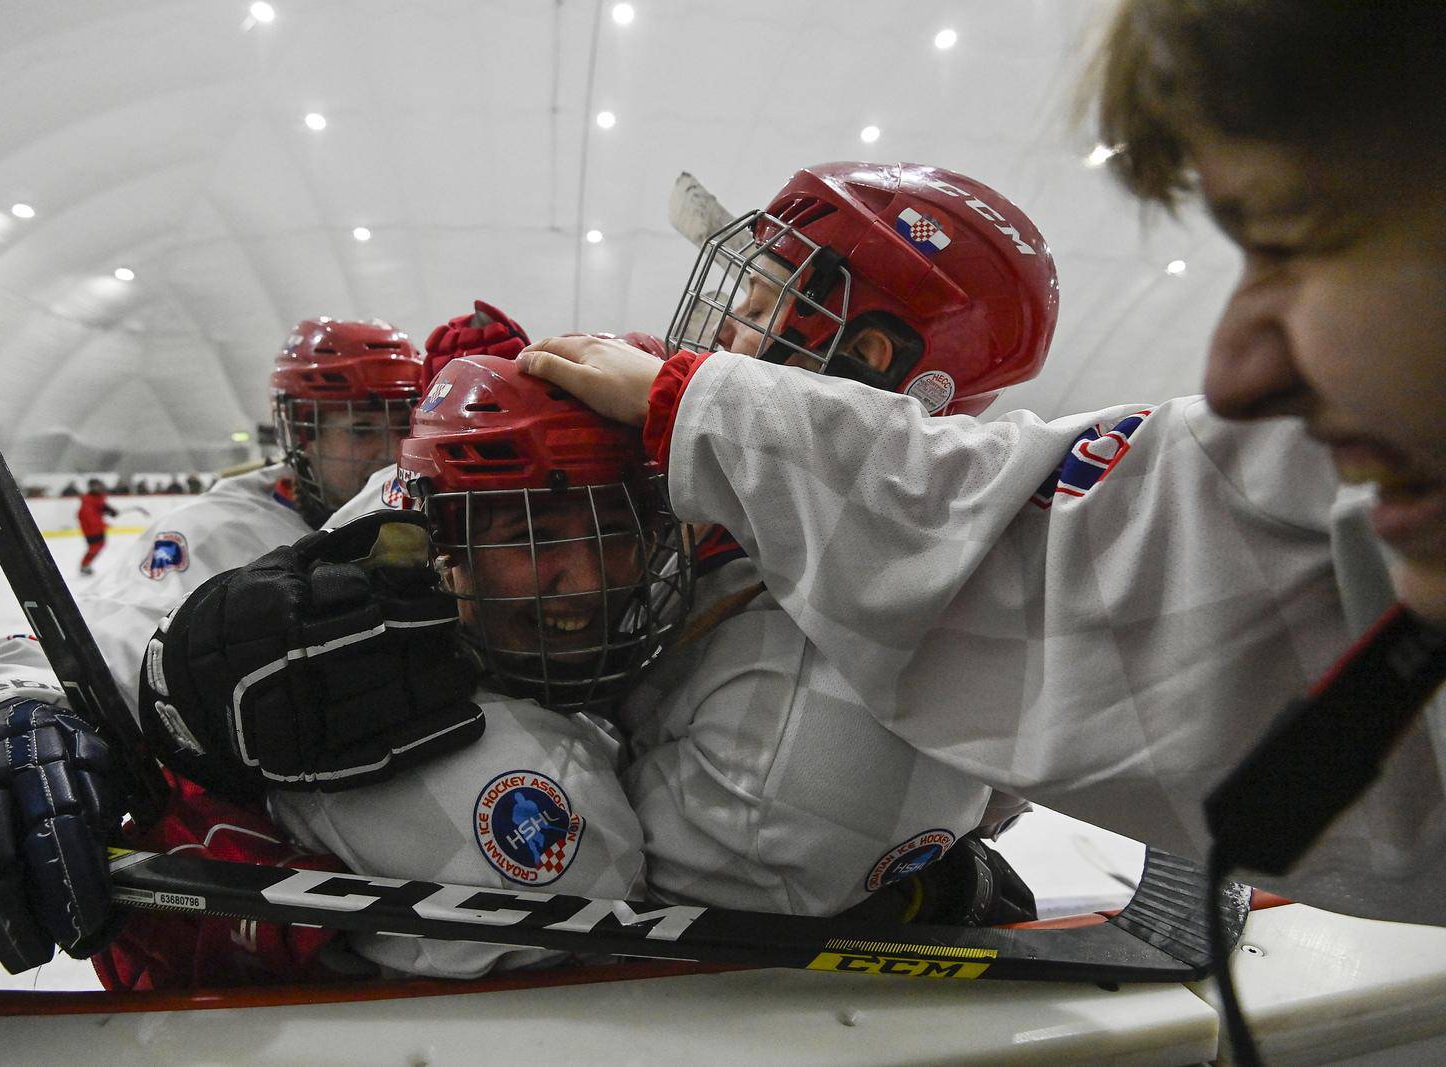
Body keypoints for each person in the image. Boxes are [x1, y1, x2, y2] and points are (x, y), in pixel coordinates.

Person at [515, 6, 1446, 922]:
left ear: (870, 358)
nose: (1235, 374)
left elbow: (620, 887)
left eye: (1293, 245)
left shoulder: (825, 690)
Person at [0, 316, 483, 976]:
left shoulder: (431, 508)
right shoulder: (218, 531)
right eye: (359, 428)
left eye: (397, 424)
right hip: (282, 895)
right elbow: (113, 631)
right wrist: (14, 699)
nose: (384, 449)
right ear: (303, 431)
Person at [114, 353, 687, 982]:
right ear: (444, 544)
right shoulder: (520, 774)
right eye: (534, 535)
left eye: (614, 530)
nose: (588, 582)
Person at [613, 162, 1052, 919]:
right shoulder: (786, 535)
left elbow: (619, 890)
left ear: (865, 354)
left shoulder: (813, 702)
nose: (723, 324)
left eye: (760, 299)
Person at [76, 478, 119, 575]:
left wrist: (109, 510)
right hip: (92, 530)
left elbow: (101, 506)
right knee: (95, 547)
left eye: (99, 485)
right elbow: (87, 516)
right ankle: (84, 565)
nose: (98, 488)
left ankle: (86, 565)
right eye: (95, 486)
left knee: (98, 547)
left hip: (97, 528)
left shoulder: (98, 497)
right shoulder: (87, 500)